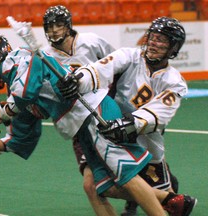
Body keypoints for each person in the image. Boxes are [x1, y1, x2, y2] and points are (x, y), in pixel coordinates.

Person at [0, 34, 196, 216]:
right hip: (80, 126)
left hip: (93, 111)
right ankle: (168, 199)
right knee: (99, 186)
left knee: (126, 176)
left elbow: (25, 91)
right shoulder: (16, 92)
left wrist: (5, 110)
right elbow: (21, 137)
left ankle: (166, 203)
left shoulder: (21, 58)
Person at [59, 16, 197, 216]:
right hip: (112, 137)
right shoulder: (129, 56)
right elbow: (101, 69)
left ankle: (156, 192)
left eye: (162, 40)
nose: (154, 43)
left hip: (146, 144)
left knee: (173, 205)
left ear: (173, 48)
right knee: (97, 185)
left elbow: (160, 112)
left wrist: (130, 124)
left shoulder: (175, 82)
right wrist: (78, 80)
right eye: (153, 37)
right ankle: (141, 197)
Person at [42, 5, 117, 215]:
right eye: (50, 26)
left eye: (59, 25)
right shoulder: (46, 56)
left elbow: (117, 64)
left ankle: (160, 195)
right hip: (79, 124)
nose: (54, 30)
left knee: (122, 172)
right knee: (92, 185)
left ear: (68, 26)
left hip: (105, 113)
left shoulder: (91, 41)